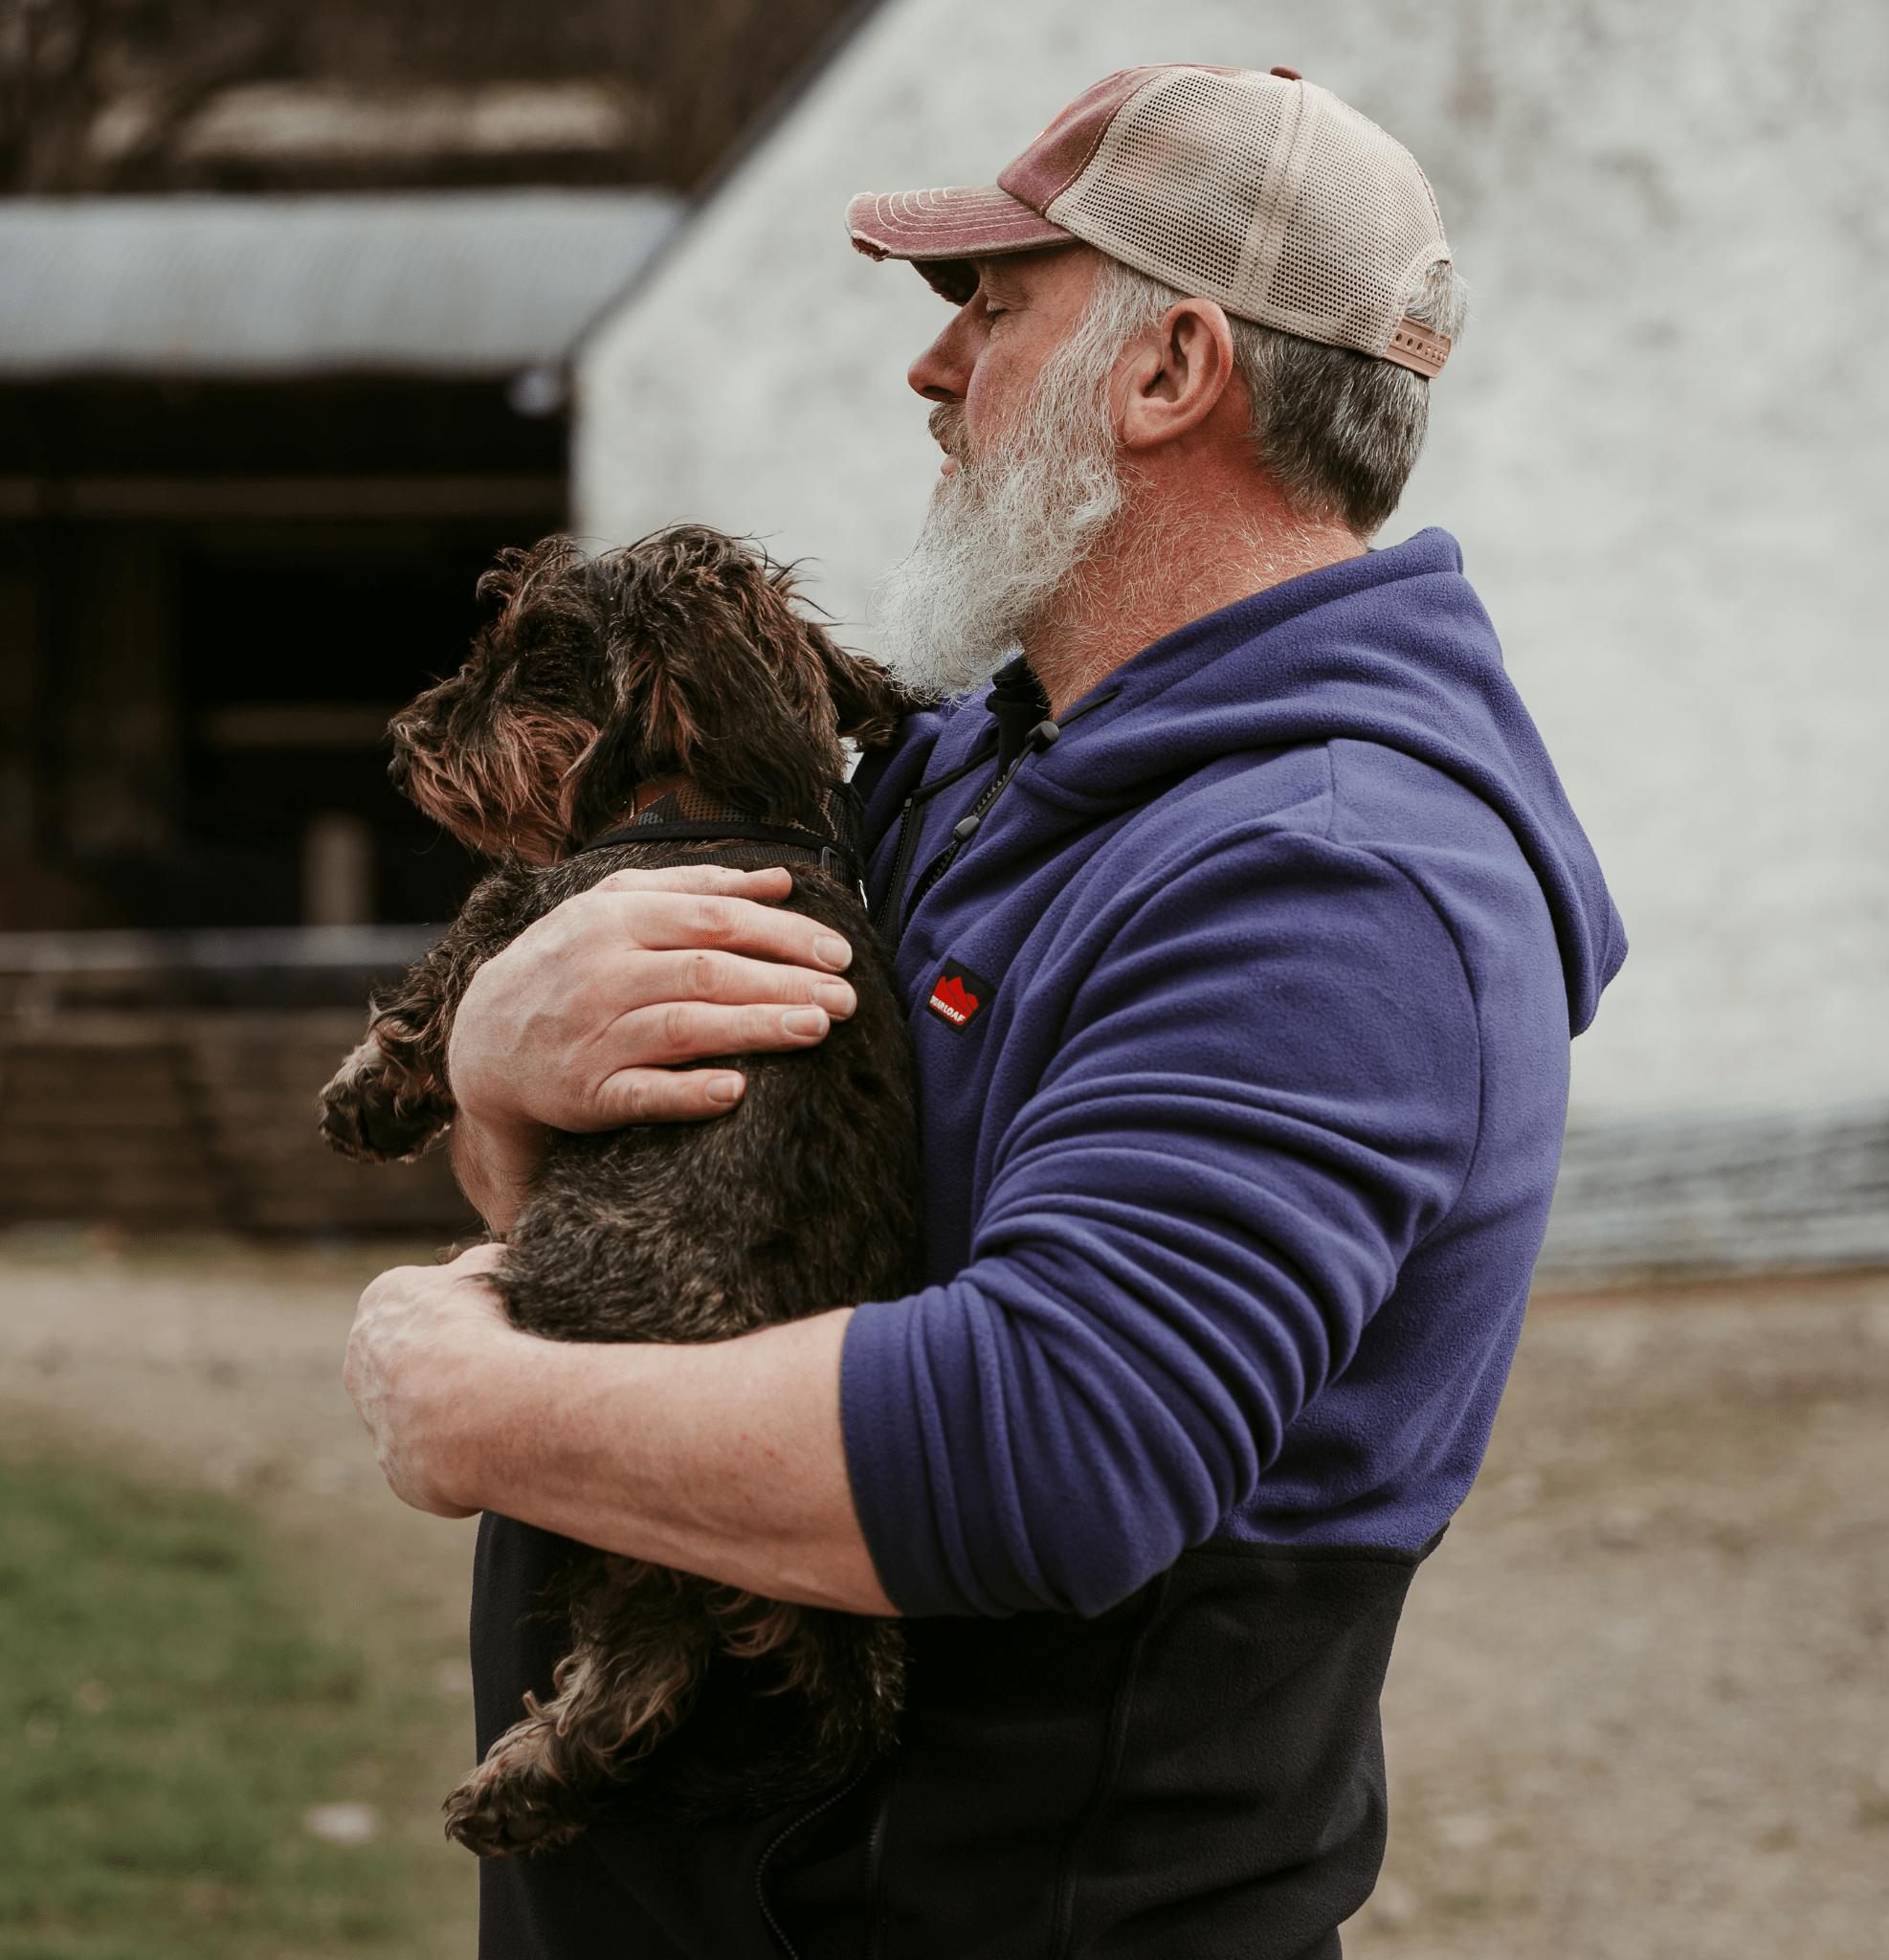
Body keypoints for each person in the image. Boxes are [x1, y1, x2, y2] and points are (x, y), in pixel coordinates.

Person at [344, 62, 1624, 1960]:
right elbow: (652, 1191)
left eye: (992, 310)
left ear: (1170, 368)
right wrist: (498, 1066)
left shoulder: (1340, 877)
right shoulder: (953, 768)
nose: (930, 374)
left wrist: (485, 1412)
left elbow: (1055, 1444)